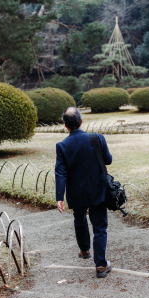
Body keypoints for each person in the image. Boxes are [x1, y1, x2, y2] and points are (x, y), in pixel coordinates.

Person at [55, 107, 113, 278]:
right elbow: (108, 160)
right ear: (81, 121)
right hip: (97, 189)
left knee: (79, 219)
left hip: (76, 192)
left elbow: (60, 172)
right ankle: (101, 265)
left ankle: (84, 250)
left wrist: (59, 197)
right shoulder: (96, 138)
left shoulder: (62, 145)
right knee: (100, 227)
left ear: (66, 126)